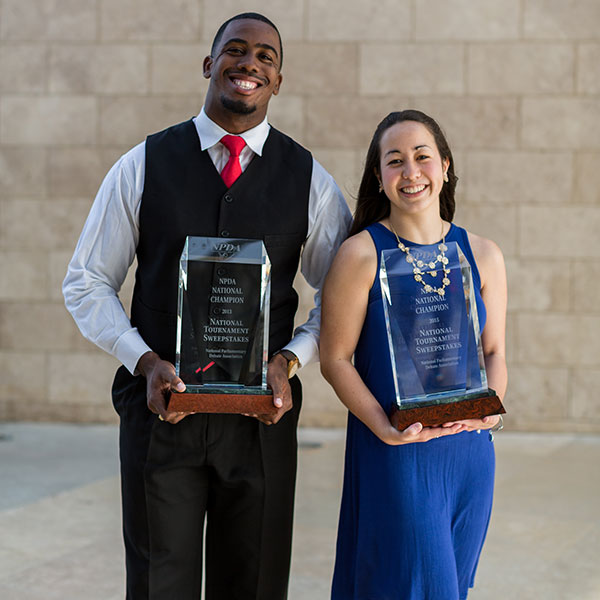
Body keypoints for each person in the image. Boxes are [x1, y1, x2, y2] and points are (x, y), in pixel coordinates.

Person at [63, 12, 351, 600]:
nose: (249, 63)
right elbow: (86, 281)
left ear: (278, 79)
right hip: (161, 410)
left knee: (254, 581)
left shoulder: (310, 181)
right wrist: (142, 360)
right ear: (208, 63)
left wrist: (290, 359)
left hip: (259, 421)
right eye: (235, 50)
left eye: (265, 56)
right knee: (157, 583)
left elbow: (343, 297)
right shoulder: (142, 164)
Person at [320, 110, 507, 600]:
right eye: (395, 161)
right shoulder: (361, 254)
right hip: (400, 448)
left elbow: (495, 351)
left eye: (422, 157)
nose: (411, 171)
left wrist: (488, 411)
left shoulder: (483, 253)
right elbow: (335, 358)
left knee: (451, 586)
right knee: (419, 587)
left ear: (445, 166)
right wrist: (382, 426)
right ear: (379, 178)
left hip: (469, 455)